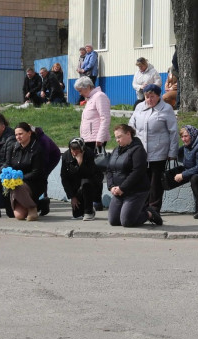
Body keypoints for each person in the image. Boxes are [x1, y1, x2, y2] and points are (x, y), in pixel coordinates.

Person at [129, 84, 178, 212]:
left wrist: (172, 151)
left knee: (156, 183)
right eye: (146, 97)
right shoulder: (139, 107)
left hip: (159, 151)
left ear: (158, 96)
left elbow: (173, 131)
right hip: (141, 152)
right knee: (142, 181)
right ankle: (143, 207)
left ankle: (154, 209)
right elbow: (131, 125)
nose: (149, 99)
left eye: (152, 97)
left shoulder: (166, 109)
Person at [106, 124, 161, 227]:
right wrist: (111, 186)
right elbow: (109, 170)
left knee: (127, 222)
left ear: (128, 134)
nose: (117, 140)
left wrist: (122, 188)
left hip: (136, 191)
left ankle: (149, 214)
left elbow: (137, 172)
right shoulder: (115, 151)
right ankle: (136, 211)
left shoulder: (138, 150)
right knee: (114, 221)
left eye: (119, 137)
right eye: (116, 137)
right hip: (118, 192)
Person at [78, 77, 111, 211]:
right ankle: (92, 199)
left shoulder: (99, 96)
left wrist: (100, 137)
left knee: (95, 171)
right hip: (88, 139)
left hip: (95, 140)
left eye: (80, 90)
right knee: (90, 171)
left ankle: (97, 200)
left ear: (87, 87)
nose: (80, 93)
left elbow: (105, 117)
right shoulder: (91, 98)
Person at [4, 122, 46, 221]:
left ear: (29, 133)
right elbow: (8, 164)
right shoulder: (13, 147)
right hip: (16, 183)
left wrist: (19, 178)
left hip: (34, 182)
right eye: (16, 135)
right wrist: (9, 177)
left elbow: (37, 172)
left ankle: (32, 207)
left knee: (18, 185)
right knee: (19, 216)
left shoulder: (37, 149)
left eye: (21, 134)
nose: (18, 137)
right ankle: (40, 204)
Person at [61, 138, 99, 221]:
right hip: (75, 186)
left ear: (82, 149)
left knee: (86, 183)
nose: (74, 153)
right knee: (77, 214)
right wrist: (72, 197)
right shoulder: (66, 156)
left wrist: (80, 162)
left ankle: (89, 211)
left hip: (90, 184)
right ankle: (85, 209)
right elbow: (64, 178)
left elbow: (89, 174)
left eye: (77, 151)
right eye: (72, 150)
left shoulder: (89, 154)